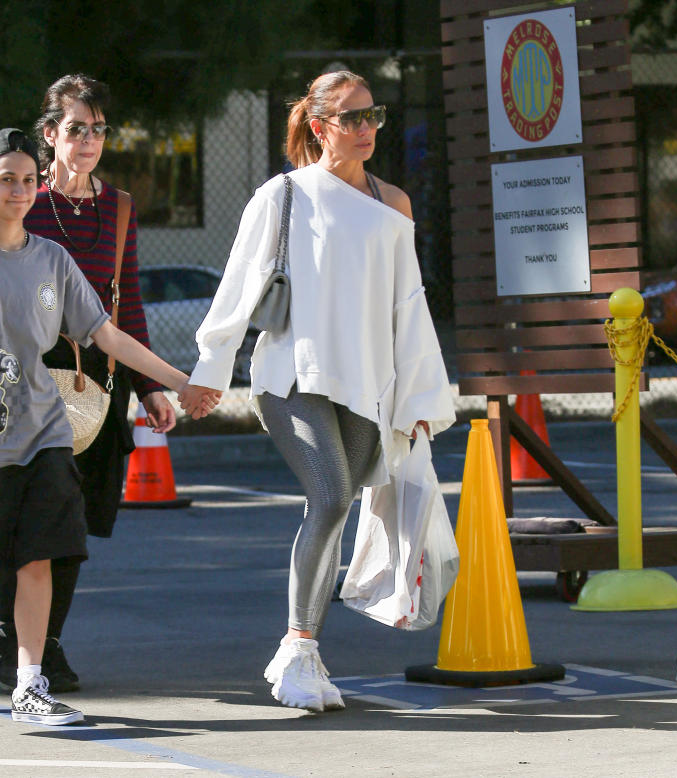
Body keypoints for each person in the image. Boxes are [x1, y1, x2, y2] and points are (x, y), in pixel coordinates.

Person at [0, 128, 201, 725]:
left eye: (30, 180)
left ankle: (30, 684)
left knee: (40, 556)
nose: (21, 190)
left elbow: (105, 334)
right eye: (8, 179)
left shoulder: (53, 259)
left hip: (46, 433)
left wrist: (178, 382)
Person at [178, 71, 456, 712]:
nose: (366, 130)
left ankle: (298, 651)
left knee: (341, 498)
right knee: (331, 498)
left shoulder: (394, 204)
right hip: (292, 378)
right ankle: (299, 649)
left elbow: (408, 308)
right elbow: (238, 285)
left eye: (373, 116)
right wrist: (209, 372)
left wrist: (418, 400)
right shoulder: (282, 195)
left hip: (369, 385)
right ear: (318, 125)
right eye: (352, 118)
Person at [0, 74, 180, 694]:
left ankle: (47, 638)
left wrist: (151, 385)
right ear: (50, 136)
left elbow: (130, 303)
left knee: (76, 520)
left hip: (100, 382)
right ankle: (12, 636)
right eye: (76, 129)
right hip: (30, 374)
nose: (90, 140)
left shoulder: (118, 207)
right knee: (31, 513)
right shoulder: (26, 203)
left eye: (98, 129)